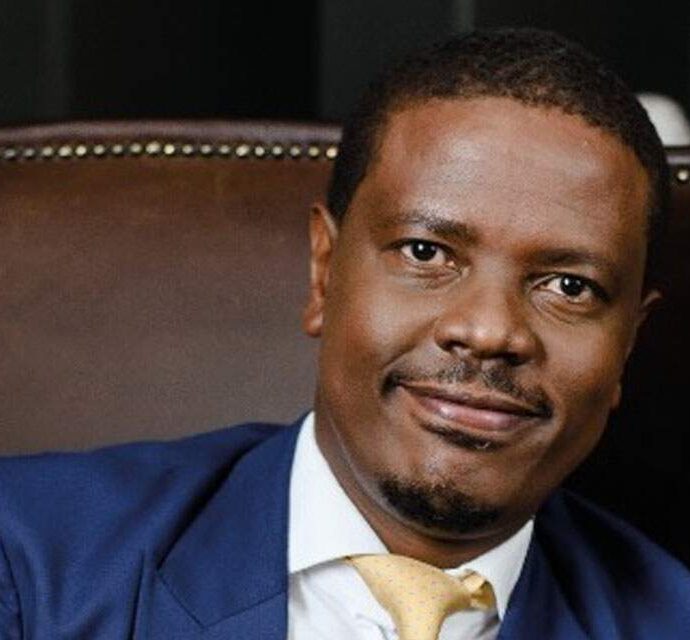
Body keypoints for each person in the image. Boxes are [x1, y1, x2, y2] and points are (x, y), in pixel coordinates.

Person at [0, 27, 689, 640]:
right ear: (325, 271)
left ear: (627, 342)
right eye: (426, 252)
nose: (487, 331)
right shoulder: (29, 561)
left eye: (569, 286)